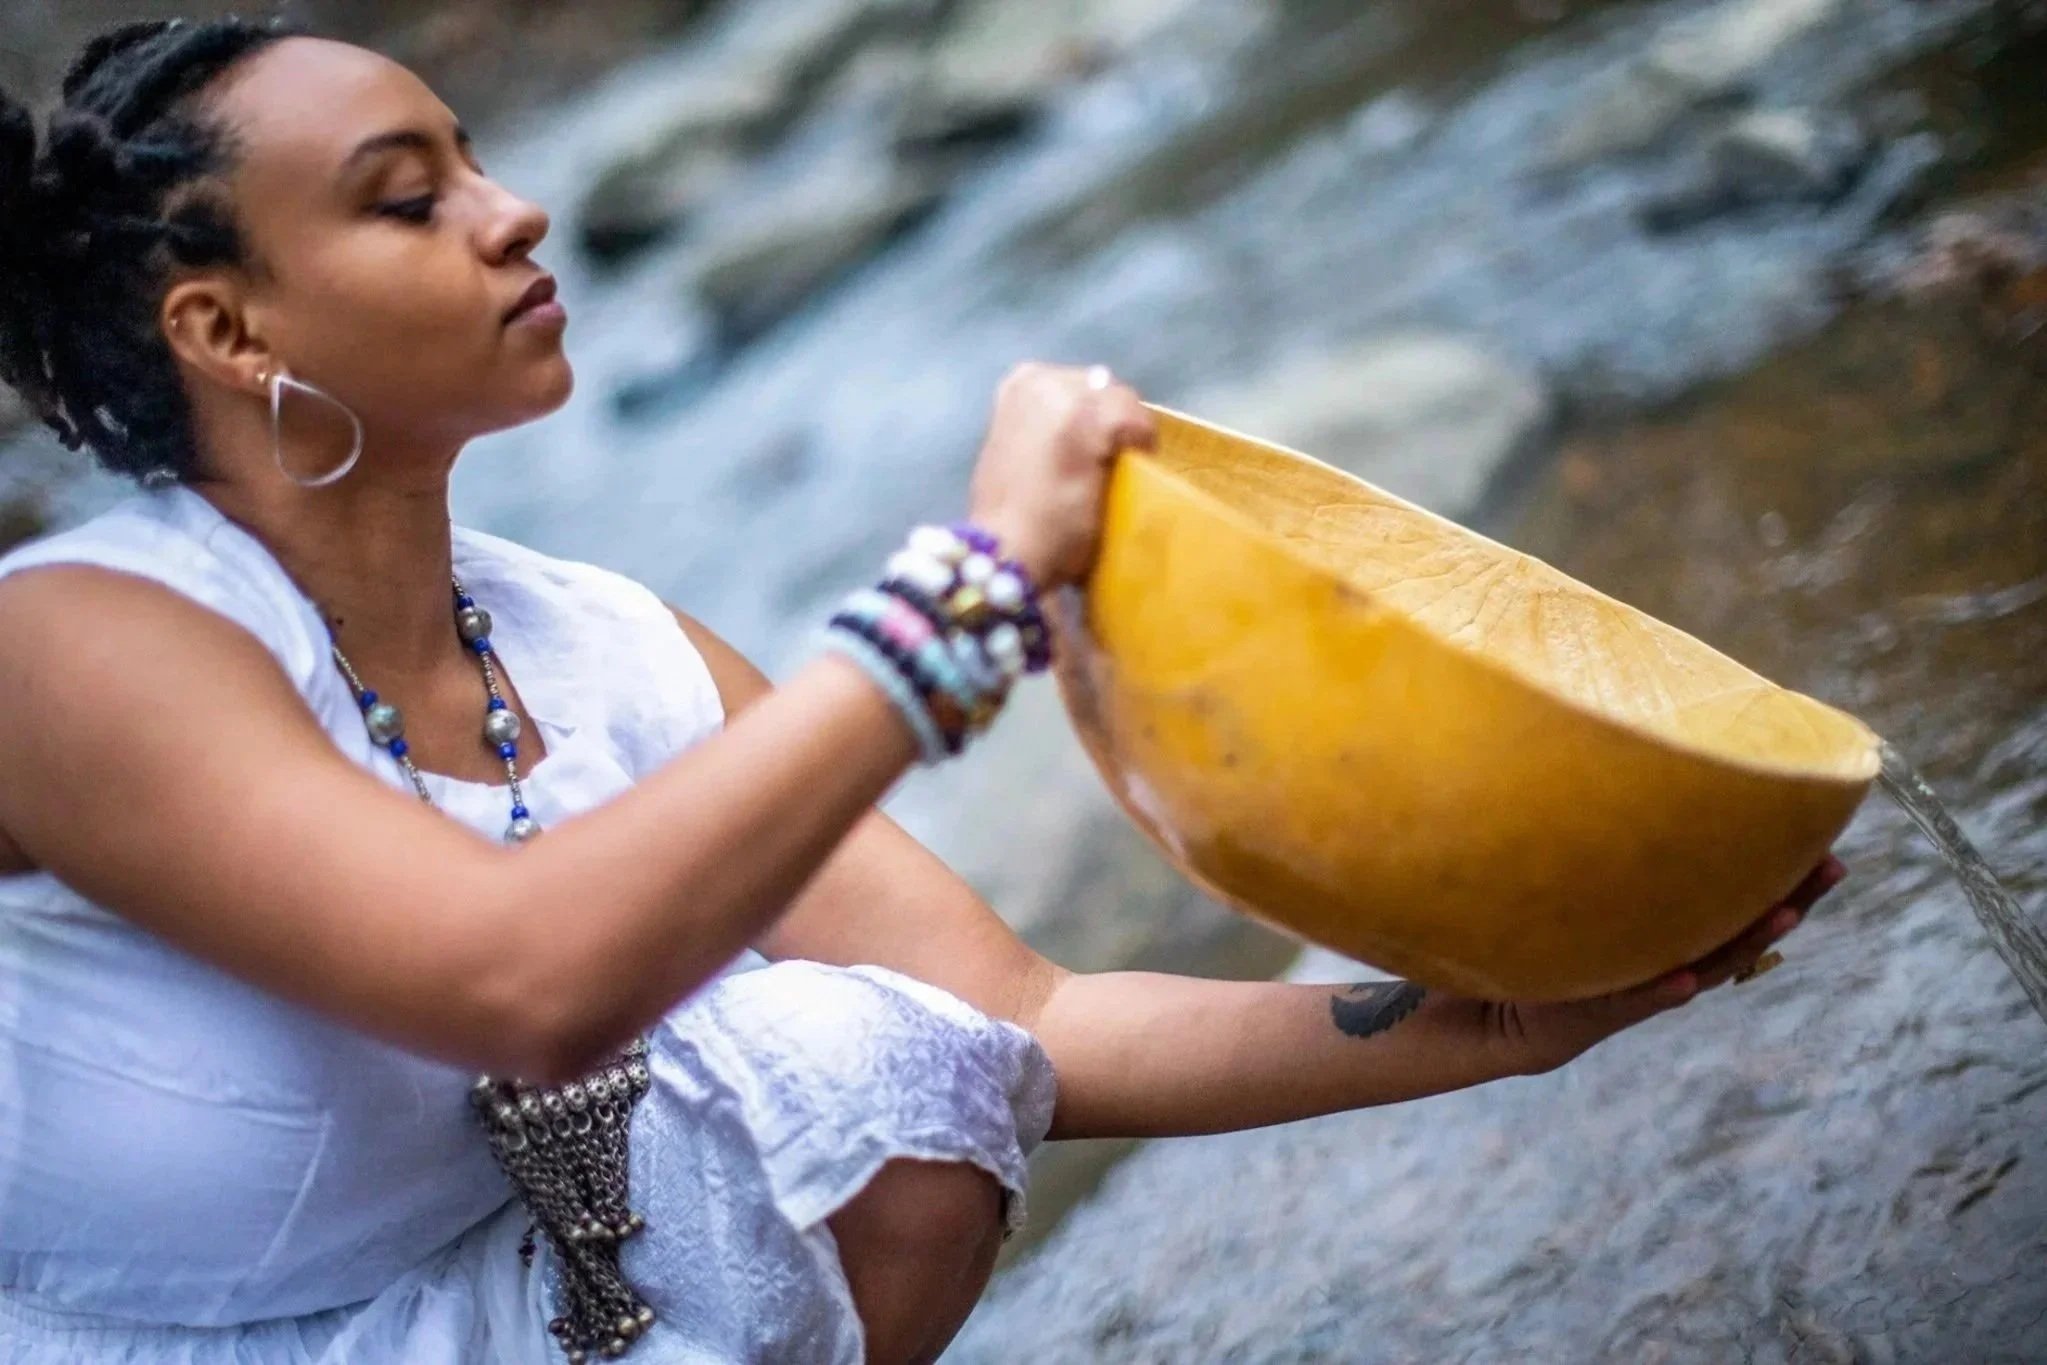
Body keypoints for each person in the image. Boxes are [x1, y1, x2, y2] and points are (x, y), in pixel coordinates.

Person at [0, 18, 1844, 1365]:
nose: (519, 208)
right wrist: (968, 585)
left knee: (882, 1065)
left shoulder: (597, 645)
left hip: (522, 1317)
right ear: (226, 331)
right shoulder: (73, 646)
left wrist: (1513, 1023)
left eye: (479, 157)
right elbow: (528, 979)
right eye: (414, 201)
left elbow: (1021, 1021)